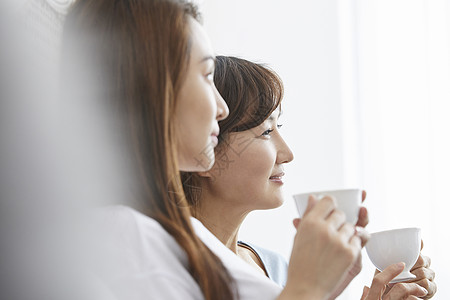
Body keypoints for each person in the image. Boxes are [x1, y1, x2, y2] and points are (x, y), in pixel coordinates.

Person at [182, 55, 436, 299]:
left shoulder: (277, 268)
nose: (288, 154)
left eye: (278, 127)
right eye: (266, 131)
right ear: (203, 150)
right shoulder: (171, 272)